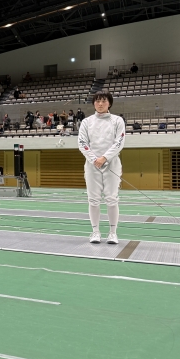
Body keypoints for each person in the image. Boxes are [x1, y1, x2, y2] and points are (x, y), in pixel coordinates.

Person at [78, 91, 125, 245]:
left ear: (109, 103)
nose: (100, 104)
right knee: (93, 199)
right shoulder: (86, 122)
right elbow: (82, 143)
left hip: (112, 163)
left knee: (112, 198)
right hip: (92, 165)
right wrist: (94, 159)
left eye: (104, 101)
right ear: (94, 103)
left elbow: (119, 142)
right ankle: (95, 232)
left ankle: (113, 233)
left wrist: (104, 158)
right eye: (97, 101)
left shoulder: (117, 121)